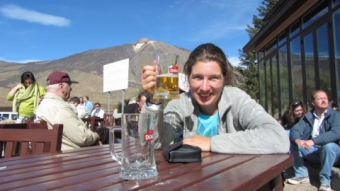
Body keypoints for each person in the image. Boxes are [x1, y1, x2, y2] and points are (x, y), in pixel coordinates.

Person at [141, 43, 289, 153]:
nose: (204, 87)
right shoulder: (181, 103)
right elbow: (152, 143)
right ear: (188, 78)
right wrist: (154, 100)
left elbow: (277, 137)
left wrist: (212, 143)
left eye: (213, 78)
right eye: (198, 77)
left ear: (224, 78)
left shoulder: (236, 99)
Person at [287, 90, 340, 191]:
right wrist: (298, 140)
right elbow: (295, 129)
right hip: (313, 151)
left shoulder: (336, 115)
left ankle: (325, 182)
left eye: (325, 98)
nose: (324, 101)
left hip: (333, 153)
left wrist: (313, 141)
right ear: (313, 103)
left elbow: (336, 133)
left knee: (329, 146)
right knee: (292, 139)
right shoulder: (309, 116)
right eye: (320, 99)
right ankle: (302, 175)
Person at [35, 71, 100, 150]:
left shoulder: (42, 105)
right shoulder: (61, 107)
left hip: (52, 153)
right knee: (106, 134)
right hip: (71, 155)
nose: (71, 88)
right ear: (61, 86)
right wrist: (96, 135)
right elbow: (82, 138)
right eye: (69, 85)